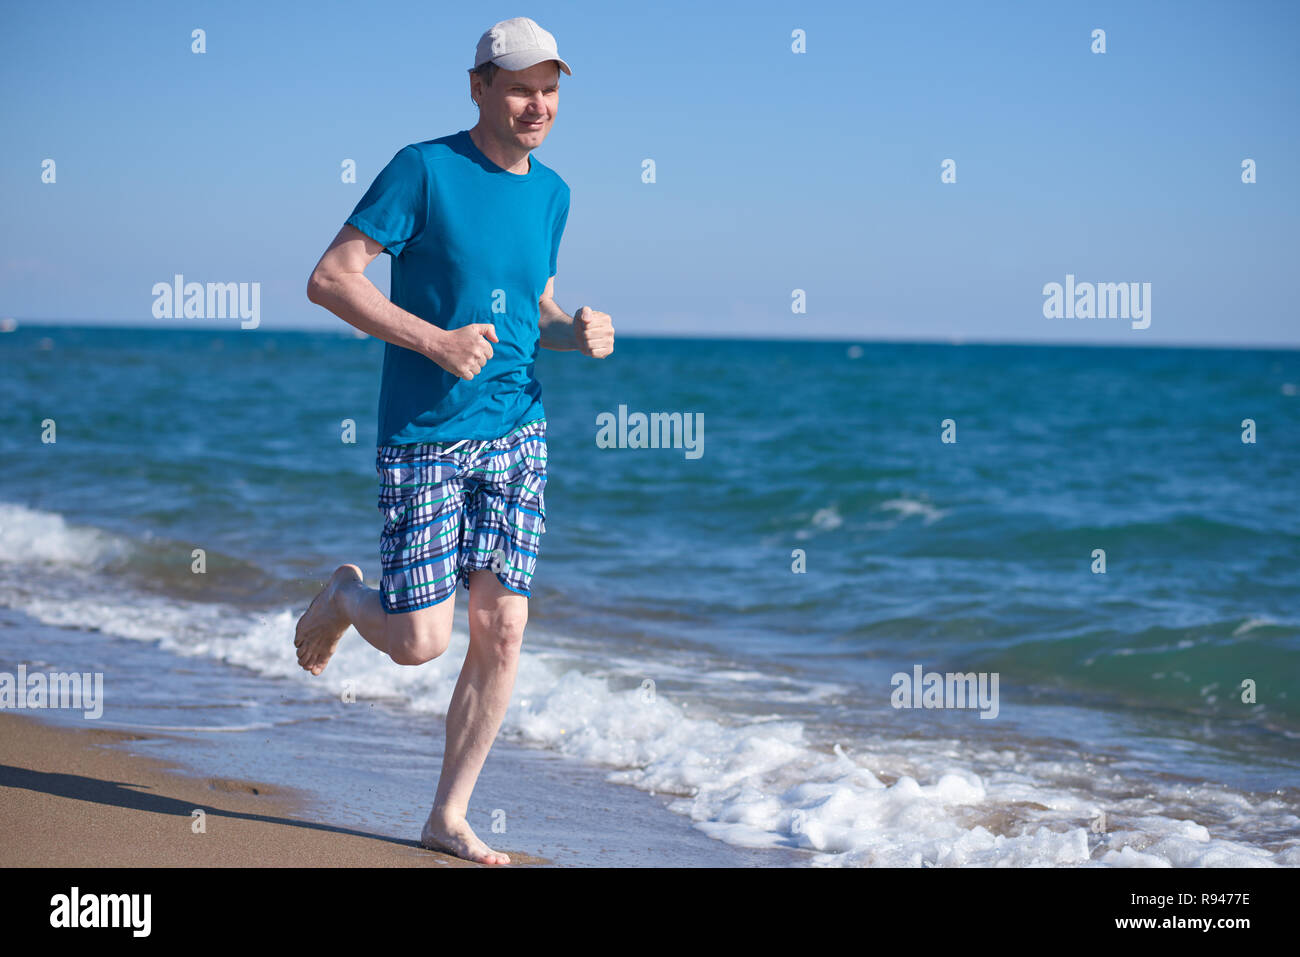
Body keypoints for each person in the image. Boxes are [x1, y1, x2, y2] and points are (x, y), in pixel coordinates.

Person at [293, 16, 614, 866]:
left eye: (549, 89)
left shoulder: (555, 194)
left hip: (518, 429)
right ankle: (346, 599)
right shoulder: (423, 169)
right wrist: (434, 342)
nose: (536, 104)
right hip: (427, 433)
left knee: (502, 629)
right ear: (477, 87)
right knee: (419, 643)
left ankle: (447, 815)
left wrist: (571, 331)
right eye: (519, 87)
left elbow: (530, 311)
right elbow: (331, 279)